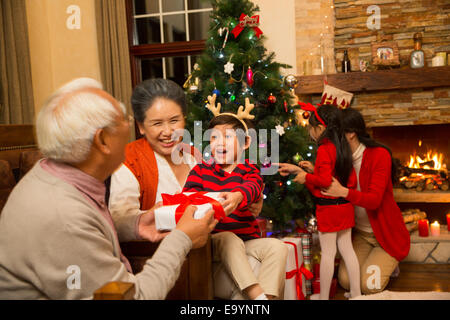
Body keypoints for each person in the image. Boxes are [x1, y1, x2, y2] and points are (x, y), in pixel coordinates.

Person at [0, 78, 217, 299]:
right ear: (103, 140)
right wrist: (181, 238)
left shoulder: (56, 175)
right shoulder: (63, 217)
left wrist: (135, 224)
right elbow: (133, 297)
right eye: (123, 119)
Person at [108, 79, 266, 299]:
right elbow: (117, 223)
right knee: (249, 283)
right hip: (163, 265)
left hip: (209, 252)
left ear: (185, 119)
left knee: (262, 266)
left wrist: (249, 197)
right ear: (141, 126)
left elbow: (228, 185)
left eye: (174, 120)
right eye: (156, 124)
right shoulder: (129, 162)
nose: (167, 131)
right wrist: (153, 215)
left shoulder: (193, 155)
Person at [182, 95, 288, 300]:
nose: (220, 143)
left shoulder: (249, 170)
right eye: (214, 137)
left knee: (277, 246)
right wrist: (209, 200)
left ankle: (269, 299)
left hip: (246, 240)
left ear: (245, 142)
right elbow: (188, 198)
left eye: (228, 137)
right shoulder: (200, 171)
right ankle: (256, 295)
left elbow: (254, 186)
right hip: (213, 241)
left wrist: (239, 195)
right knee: (228, 239)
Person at [320, 107, 410, 295]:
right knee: (345, 280)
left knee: (368, 287)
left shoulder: (379, 155)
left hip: (385, 235)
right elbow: (323, 177)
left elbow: (374, 201)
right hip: (361, 235)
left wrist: (343, 191)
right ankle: (376, 261)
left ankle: (390, 261)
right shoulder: (341, 158)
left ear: (351, 133)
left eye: (338, 133)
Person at [277, 103, 361, 300]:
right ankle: (357, 294)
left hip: (329, 210)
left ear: (321, 129)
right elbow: (337, 177)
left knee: (328, 253)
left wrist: (306, 177)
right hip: (345, 206)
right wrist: (314, 169)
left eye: (310, 127)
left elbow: (324, 181)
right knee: (347, 249)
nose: (309, 130)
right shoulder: (342, 147)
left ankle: (323, 297)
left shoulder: (324, 149)